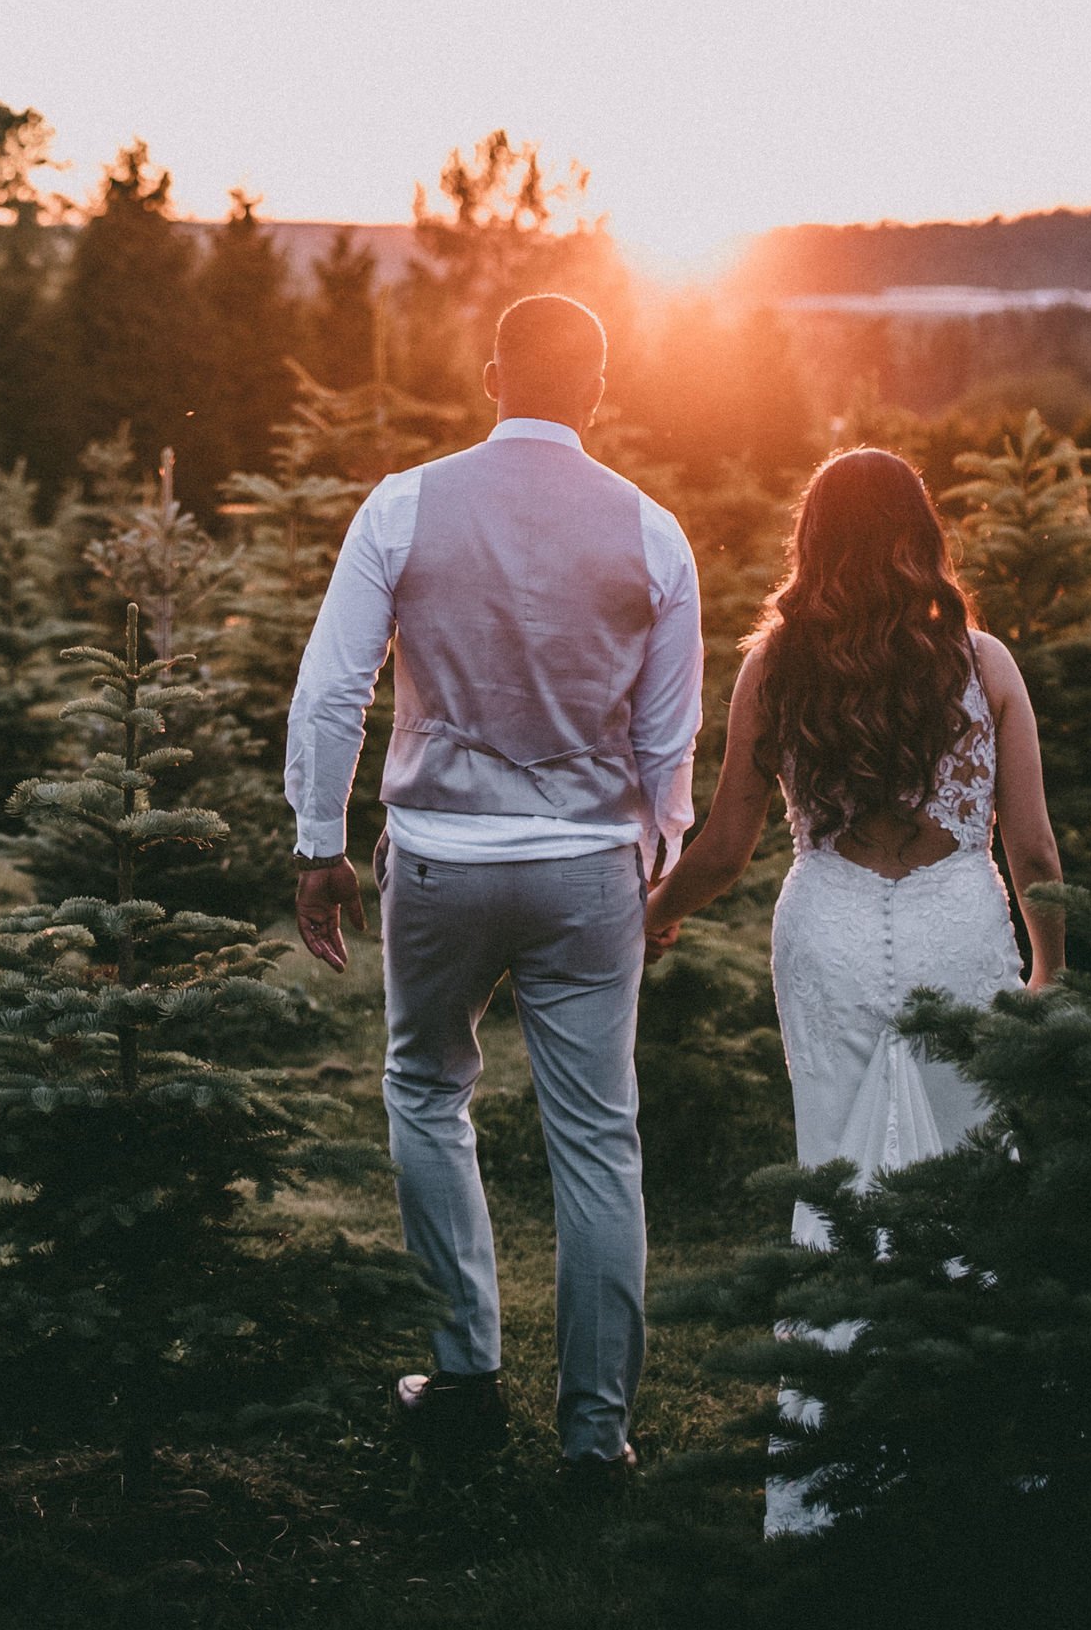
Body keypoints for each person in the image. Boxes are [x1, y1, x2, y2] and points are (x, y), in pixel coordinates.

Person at [286, 292, 702, 1487]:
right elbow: (668, 750)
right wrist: (654, 869)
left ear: (490, 377)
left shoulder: (403, 503)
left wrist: (320, 842)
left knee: (424, 1087)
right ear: (599, 392)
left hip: (443, 858)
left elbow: (331, 692)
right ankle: (594, 1437)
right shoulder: (653, 534)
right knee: (599, 1140)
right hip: (586, 870)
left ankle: (464, 1377)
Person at [642, 443, 1063, 1532]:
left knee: (836, 1175)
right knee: (972, 1173)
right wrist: (1050, 969)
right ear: (923, 536)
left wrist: (658, 906)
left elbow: (730, 842)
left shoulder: (775, 665)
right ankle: (976, 1449)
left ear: (811, 542)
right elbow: (1036, 852)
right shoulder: (984, 663)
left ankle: (832, 1469)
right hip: (957, 927)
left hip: (824, 927)